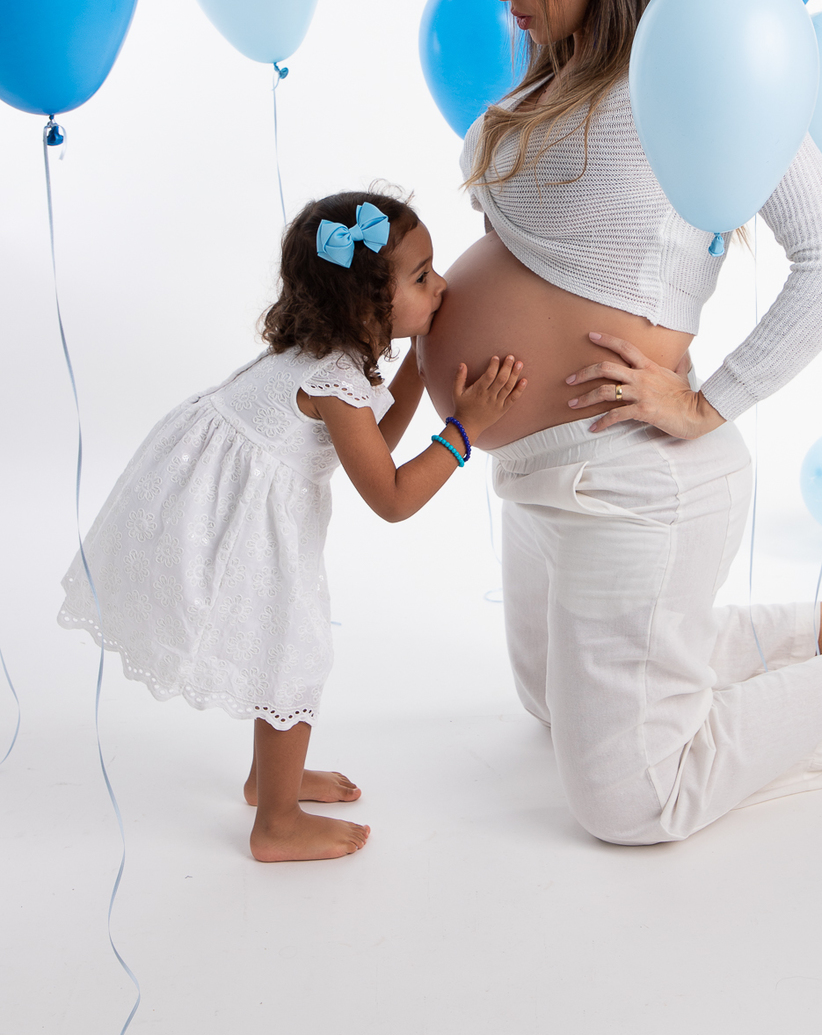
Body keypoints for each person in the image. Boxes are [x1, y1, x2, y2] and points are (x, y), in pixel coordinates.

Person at [417, 0, 822, 848]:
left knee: (630, 800)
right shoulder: (549, 73)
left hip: (633, 480)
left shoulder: (707, 72)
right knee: (548, 705)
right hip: (532, 475)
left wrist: (709, 402)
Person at [58, 189, 525, 862]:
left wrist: (419, 371)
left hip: (234, 501)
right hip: (237, 522)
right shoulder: (332, 379)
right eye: (422, 277)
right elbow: (392, 497)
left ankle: (268, 778)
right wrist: (464, 430)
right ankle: (276, 825)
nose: (443, 285)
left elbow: (373, 448)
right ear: (366, 305)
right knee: (291, 653)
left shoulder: (327, 359)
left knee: (282, 647)